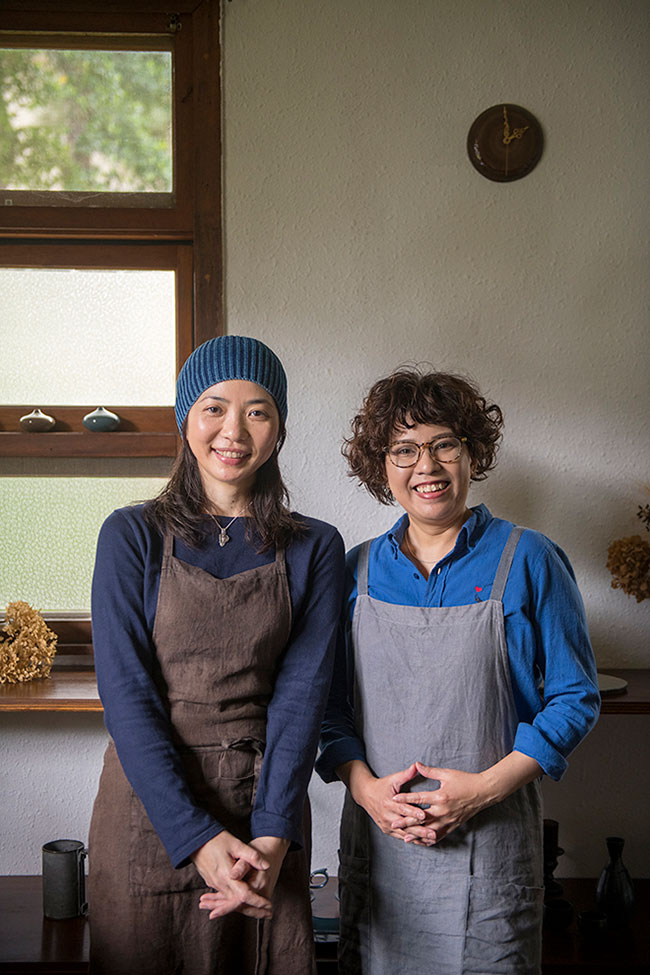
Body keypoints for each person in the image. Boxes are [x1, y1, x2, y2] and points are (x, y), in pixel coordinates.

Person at [317, 368, 600, 975]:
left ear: (472, 452)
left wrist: (481, 792)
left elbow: (575, 699)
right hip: (381, 848)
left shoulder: (529, 559)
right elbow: (329, 706)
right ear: (381, 465)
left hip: (492, 848)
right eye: (404, 449)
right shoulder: (355, 570)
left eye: (445, 444)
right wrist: (365, 791)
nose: (428, 465)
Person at [88, 335, 345, 975]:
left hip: (267, 808)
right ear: (185, 420)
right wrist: (196, 837)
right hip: (151, 807)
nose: (234, 430)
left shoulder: (316, 547)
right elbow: (127, 698)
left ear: (279, 429)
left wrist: (273, 832)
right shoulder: (131, 535)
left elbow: (302, 698)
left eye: (257, 411)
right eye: (213, 407)